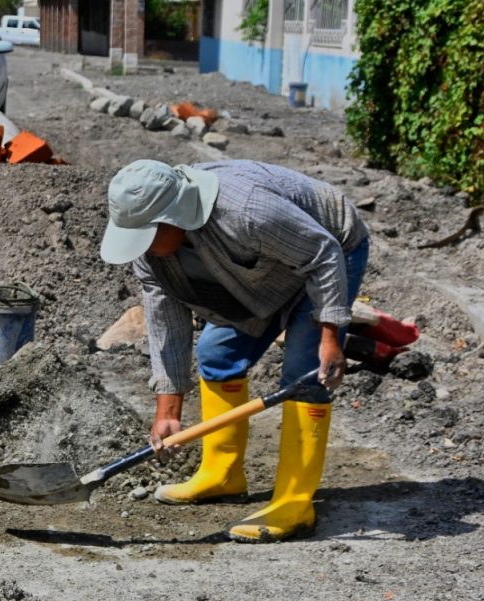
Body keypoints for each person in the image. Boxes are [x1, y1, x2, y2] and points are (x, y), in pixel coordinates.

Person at [101, 159, 370, 542]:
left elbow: (322, 254)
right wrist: (168, 410)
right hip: (269, 269)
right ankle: (223, 474)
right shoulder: (152, 255)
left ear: (173, 218)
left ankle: (295, 502)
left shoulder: (245, 210)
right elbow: (165, 321)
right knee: (216, 354)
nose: (141, 246)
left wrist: (330, 335)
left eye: (147, 234)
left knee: (302, 370)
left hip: (331, 251)